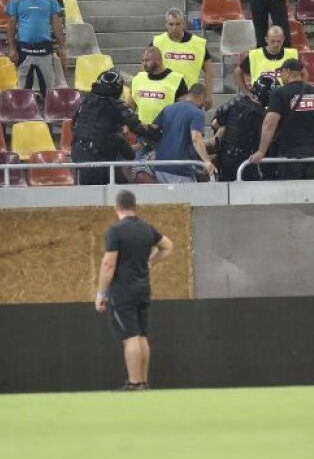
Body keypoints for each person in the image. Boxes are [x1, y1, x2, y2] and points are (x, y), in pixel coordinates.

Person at [95, 189, 174, 391]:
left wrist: (101, 293)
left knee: (130, 337)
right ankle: (144, 383)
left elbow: (108, 264)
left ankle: (134, 383)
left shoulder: (116, 231)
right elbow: (168, 246)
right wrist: (151, 261)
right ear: (134, 206)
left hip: (123, 291)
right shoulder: (146, 228)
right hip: (142, 288)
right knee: (141, 335)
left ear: (116, 208)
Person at [70, 70, 160, 185]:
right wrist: (159, 135)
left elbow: (73, 124)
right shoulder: (115, 105)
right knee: (101, 194)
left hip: (77, 153)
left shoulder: (85, 101)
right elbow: (137, 127)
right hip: (96, 159)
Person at [250, 58, 314, 180]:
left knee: (292, 195)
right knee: (312, 194)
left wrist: (261, 151)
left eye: (281, 72)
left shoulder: (280, 93)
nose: (280, 76)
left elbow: (269, 123)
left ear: (287, 71)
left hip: (290, 155)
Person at [5, 0, 66, 99]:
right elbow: (11, 25)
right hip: (23, 49)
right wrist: (11, 49)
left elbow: (56, 24)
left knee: (48, 89)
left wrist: (62, 46)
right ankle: (24, 117)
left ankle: (48, 117)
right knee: (23, 90)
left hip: (45, 48)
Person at [213, 73, 277, 181]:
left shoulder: (236, 102)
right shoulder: (260, 113)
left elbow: (215, 123)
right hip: (245, 161)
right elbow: (266, 140)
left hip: (225, 157)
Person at [151, 83, 215, 183]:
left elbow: (152, 129)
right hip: (180, 170)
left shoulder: (168, 108)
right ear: (201, 98)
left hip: (160, 167)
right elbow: (196, 138)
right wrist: (207, 161)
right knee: (185, 198)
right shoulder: (197, 113)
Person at [151, 8, 213, 104]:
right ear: (166, 25)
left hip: (190, 96)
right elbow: (146, 66)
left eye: (178, 24)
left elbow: (209, 70)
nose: (174, 28)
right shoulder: (157, 42)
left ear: (183, 24)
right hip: (164, 94)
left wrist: (208, 95)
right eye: (171, 24)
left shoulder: (197, 44)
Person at [129, 46, 188, 126]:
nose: (144, 64)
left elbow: (184, 109)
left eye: (147, 60)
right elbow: (131, 106)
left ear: (158, 61)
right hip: (142, 132)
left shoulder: (176, 79)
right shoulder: (138, 78)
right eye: (142, 60)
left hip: (166, 131)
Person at [235, 25, 297, 96]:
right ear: (266, 39)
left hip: (285, 97)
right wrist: (247, 93)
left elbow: (304, 73)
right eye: (272, 41)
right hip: (260, 98)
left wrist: (297, 91)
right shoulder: (255, 55)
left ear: (283, 39)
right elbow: (238, 72)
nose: (276, 44)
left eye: (279, 41)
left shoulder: (291, 54)